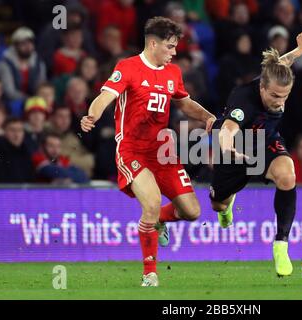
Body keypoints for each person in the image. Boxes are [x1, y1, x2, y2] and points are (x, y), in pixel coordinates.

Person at [80, 17, 216, 287]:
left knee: (191, 212)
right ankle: (150, 273)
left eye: (175, 47)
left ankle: (159, 222)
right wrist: (91, 116)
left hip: (162, 151)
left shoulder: (173, 72)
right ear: (153, 44)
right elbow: (105, 97)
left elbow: (185, 104)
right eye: (170, 46)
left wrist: (208, 116)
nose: (174, 52)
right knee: (151, 205)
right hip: (132, 150)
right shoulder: (128, 67)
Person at [209, 30, 302, 277]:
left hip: (265, 142)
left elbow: (282, 64)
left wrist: (300, 51)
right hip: (236, 149)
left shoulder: (275, 78)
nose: (280, 102)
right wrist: (228, 149)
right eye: (275, 96)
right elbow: (228, 129)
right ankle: (227, 205)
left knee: (288, 177)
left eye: (285, 96)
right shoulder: (243, 101)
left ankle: (281, 245)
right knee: (217, 204)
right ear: (261, 86)